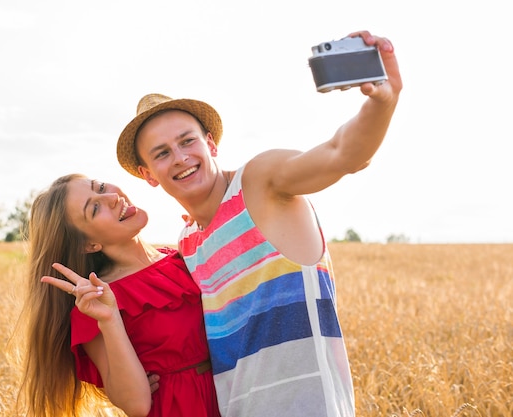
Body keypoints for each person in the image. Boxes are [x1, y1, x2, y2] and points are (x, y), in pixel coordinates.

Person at [115, 30, 402, 417]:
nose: (180, 158)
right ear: (147, 173)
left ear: (211, 144)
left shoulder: (260, 183)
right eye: (162, 153)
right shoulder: (187, 242)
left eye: (188, 141)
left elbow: (341, 154)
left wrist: (382, 102)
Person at [17, 173, 220, 417]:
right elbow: (137, 405)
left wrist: (213, 237)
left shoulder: (185, 253)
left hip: (239, 395)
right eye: (94, 207)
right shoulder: (96, 303)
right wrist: (110, 319)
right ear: (88, 244)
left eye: (100, 187)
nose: (112, 197)